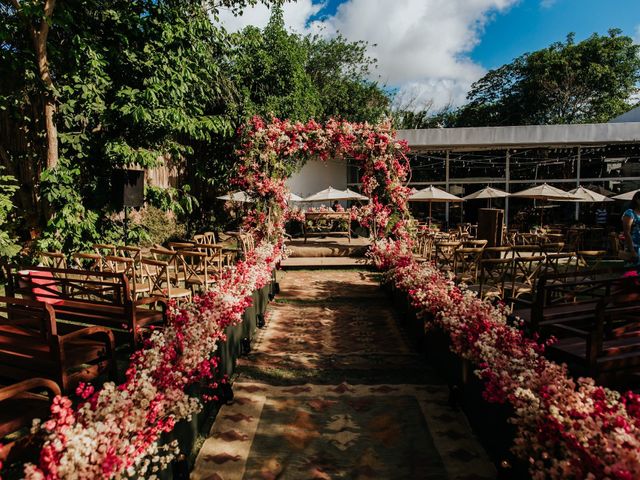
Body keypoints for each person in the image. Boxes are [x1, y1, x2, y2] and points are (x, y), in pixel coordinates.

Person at [621, 191, 640, 265]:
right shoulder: (630, 213)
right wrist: (632, 251)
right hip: (635, 246)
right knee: (634, 272)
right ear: (637, 200)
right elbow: (626, 232)